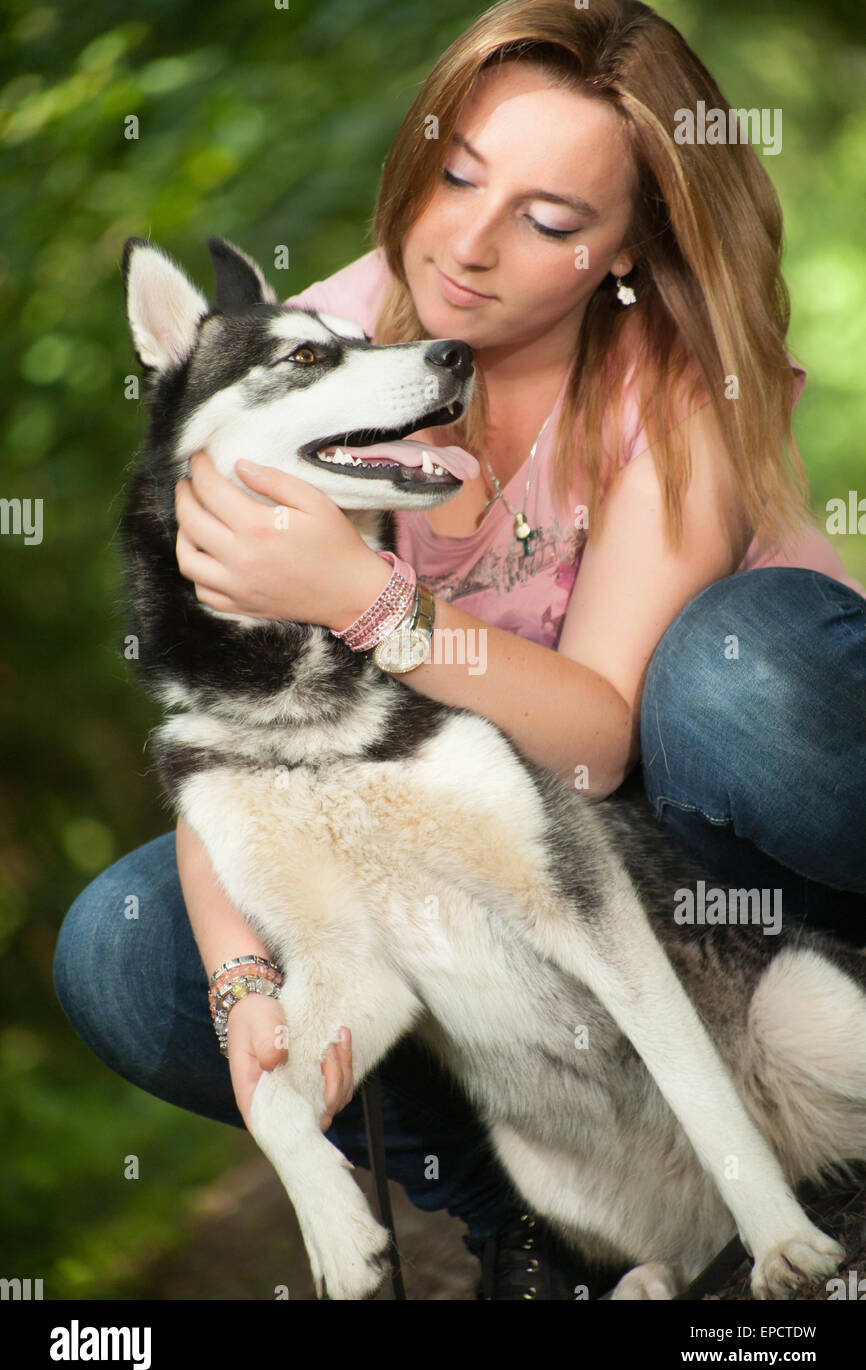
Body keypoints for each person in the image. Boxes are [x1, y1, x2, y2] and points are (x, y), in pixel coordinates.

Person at [55, 0, 866, 1300]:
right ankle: (530, 1228)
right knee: (125, 935)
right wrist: (241, 976)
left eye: (548, 220)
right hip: (490, 858)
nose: (469, 247)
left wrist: (363, 594)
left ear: (626, 246)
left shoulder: (673, 376)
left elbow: (599, 739)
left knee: (732, 674)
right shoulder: (309, 354)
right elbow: (232, 723)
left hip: (726, 835)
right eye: (455, 175)